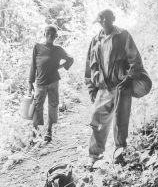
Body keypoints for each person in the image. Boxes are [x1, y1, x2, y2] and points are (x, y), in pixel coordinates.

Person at [85, 9, 144, 167]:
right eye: (102, 18)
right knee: (97, 121)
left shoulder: (123, 35)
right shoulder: (95, 40)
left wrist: (129, 77)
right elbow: (89, 67)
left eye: (107, 18)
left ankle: (120, 156)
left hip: (121, 87)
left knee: (121, 122)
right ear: (99, 20)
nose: (104, 20)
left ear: (113, 19)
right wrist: (92, 89)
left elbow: (135, 58)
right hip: (103, 88)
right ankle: (95, 157)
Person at [28, 25, 74, 143]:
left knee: (53, 106)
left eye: (53, 34)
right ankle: (34, 132)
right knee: (38, 107)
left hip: (54, 82)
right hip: (40, 82)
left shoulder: (58, 49)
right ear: (44, 34)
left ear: (56, 36)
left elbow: (70, 59)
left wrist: (61, 66)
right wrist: (30, 82)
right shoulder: (37, 47)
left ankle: (48, 131)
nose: (50, 36)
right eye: (48, 33)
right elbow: (33, 65)